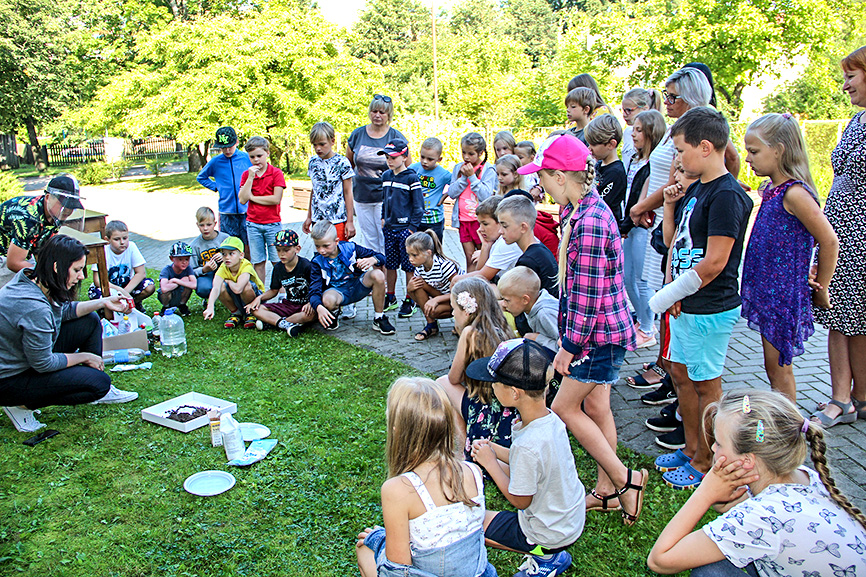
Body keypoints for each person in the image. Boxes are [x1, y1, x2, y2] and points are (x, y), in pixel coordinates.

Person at [518, 133, 645, 524]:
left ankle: (627, 481)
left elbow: (587, 298)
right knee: (597, 406)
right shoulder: (581, 210)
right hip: (600, 332)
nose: (540, 184)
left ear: (560, 175)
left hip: (596, 336)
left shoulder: (589, 220)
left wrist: (567, 348)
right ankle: (606, 489)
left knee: (564, 407)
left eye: (543, 176)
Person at [647, 389, 866, 576]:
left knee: (710, 572)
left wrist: (704, 493)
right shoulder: (802, 474)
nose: (713, 449)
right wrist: (719, 499)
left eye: (720, 444)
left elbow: (659, 560)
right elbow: (736, 510)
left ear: (747, 461)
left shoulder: (762, 516)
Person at [649, 107, 753, 490]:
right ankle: (692, 448)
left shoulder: (726, 196)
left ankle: (709, 459)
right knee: (680, 375)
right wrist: (671, 204)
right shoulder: (697, 189)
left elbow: (713, 264)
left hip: (708, 307)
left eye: (681, 150)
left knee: (705, 384)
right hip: (684, 303)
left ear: (705, 147)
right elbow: (676, 241)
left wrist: (665, 295)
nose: (677, 158)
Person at [628, 66, 716, 395]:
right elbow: (669, 177)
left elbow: (726, 166)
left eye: (672, 96)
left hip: (686, 221)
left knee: (672, 295)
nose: (666, 101)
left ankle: (677, 376)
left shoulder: (704, 128)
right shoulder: (677, 130)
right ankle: (670, 370)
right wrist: (659, 204)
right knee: (661, 290)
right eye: (665, 95)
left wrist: (642, 206)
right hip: (671, 216)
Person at [740, 113, 838, 404]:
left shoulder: (794, 194)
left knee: (779, 372)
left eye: (754, 151)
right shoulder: (770, 190)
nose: (748, 158)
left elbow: (829, 240)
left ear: (779, 150)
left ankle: (789, 432)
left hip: (781, 296)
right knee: (774, 370)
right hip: (768, 292)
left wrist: (822, 286)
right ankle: (785, 428)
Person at [354, 377, 496, 577]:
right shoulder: (473, 472)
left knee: (364, 550)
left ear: (397, 431)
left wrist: (379, 541)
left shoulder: (397, 490)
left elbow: (399, 570)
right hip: (480, 573)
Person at [467, 338, 584, 577]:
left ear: (514, 393)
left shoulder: (530, 444)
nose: (491, 387)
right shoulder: (549, 420)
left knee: (470, 524)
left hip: (546, 533)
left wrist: (491, 463)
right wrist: (494, 449)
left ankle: (545, 558)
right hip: (567, 520)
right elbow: (531, 461)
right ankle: (552, 552)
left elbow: (521, 501)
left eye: (495, 383)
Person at [0, 235, 138, 433]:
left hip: (25, 356)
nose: (81, 276)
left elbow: (63, 311)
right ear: (57, 267)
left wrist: (103, 301)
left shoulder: (33, 277)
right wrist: (84, 356)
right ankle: (21, 404)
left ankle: (87, 377)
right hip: (9, 379)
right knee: (98, 384)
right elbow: (43, 363)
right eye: (77, 270)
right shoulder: (33, 306)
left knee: (89, 320)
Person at [812, 46, 866, 427]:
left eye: (851, 76)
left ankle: (854, 397)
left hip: (860, 233)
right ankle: (844, 396)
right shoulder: (856, 122)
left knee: (854, 318)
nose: (845, 85)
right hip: (841, 231)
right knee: (840, 316)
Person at [437, 277, 513, 455]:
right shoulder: (504, 328)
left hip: (483, 408)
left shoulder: (470, 333)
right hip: (505, 411)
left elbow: (454, 378)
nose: (453, 314)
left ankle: (464, 444)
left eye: (454, 308)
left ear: (467, 311)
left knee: (442, 384)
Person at [621, 110, 667, 353]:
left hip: (642, 226)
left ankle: (648, 329)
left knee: (641, 278)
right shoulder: (633, 160)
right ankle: (641, 320)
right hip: (630, 224)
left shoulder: (653, 165)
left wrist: (632, 218)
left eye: (639, 130)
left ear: (651, 133)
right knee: (628, 277)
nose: (633, 133)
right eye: (634, 129)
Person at [346, 94, 410, 255]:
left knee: (385, 239)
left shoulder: (395, 136)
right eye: (374, 111)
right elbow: (348, 165)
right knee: (370, 240)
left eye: (382, 112)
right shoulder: (357, 135)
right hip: (362, 196)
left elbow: (408, 169)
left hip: (387, 198)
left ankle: (388, 278)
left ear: (389, 114)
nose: (377, 115)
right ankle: (376, 276)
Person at [308, 220, 395, 335]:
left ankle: (379, 317)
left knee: (378, 274)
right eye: (317, 246)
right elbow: (314, 290)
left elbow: (381, 257)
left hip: (357, 285)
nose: (321, 250)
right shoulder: (317, 262)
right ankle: (333, 313)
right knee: (327, 300)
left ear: (336, 241)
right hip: (338, 292)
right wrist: (318, 307)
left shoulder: (350, 248)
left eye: (326, 246)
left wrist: (373, 259)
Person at [0, 174, 83, 288]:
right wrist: (45, 275)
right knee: (16, 296)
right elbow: (13, 263)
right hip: (5, 257)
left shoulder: (54, 212)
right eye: (64, 205)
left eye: (72, 207)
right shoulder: (27, 219)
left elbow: (44, 249)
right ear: (48, 197)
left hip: (24, 252)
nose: (68, 210)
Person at [378, 137, 423, 319]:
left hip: (405, 230)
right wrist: (383, 217)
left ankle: (410, 298)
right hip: (389, 228)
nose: (390, 161)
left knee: (408, 266)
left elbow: (419, 206)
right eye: (387, 157)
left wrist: (411, 229)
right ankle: (390, 296)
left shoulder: (411, 177)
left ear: (404, 156)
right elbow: (385, 199)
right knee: (390, 264)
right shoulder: (386, 176)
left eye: (394, 157)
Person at [245, 229, 314, 337]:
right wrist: (259, 298)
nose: (281, 254)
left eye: (286, 250)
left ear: (297, 249)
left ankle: (273, 323)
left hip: (305, 305)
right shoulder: (278, 268)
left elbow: (317, 287)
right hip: (289, 304)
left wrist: (311, 302)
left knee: (309, 315)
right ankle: (287, 324)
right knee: (257, 310)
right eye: (278, 250)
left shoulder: (306, 265)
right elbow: (274, 290)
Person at [196, 126, 252, 254]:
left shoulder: (246, 158)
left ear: (237, 142)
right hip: (227, 211)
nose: (227, 150)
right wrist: (216, 186)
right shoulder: (216, 161)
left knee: (248, 245)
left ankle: (248, 271)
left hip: (246, 210)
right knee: (230, 246)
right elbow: (201, 177)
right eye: (223, 147)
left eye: (230, 146)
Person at [238, 136, 285, 284]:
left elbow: (275, 199)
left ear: (267, 153)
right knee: (258, 261)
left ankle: (283, 294)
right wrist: (251, 178)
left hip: (272, 223)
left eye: (259, 156)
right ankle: (260, 293)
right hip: (253, 224)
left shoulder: (276, 173)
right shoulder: (247, 175)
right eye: (252, 157)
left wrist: (254, 198)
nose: (256, 160)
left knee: (277, 260)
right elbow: (242, 199)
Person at [448, 133, 497, 271]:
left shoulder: (489, 169)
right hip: (463, 220)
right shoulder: (459, 168)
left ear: (481, 153)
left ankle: (482, 287)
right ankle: (468, 289)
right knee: (470, 259)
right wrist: (463, 179)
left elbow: (486, 195)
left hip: (480, 221)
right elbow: (452, 193)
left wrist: (472, 177)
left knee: (482, 257)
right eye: (463, 152)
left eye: (471, 153)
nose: (466, 157)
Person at [405, 230, 464, 342]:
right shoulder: (419, 267)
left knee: (433, 311)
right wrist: (409, 289)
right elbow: (416, 297)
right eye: (409, 255)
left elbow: (461, 291)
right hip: (444, 296)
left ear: (428, 252)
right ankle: (431, 325)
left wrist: (436, 299)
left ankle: (462, 321)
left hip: (460, 299)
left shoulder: (444, 266)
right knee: (416, 285)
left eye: (414, 255)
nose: (410, 259)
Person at [450, 196, 521, 286]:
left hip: (515, 289)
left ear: (500, 222)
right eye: (479, 224)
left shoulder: (506, 243)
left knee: (458, 282)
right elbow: (479, 271)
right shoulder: (497, 241)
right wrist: (485, 246)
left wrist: (457, 279)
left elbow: (482, 276)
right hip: (506, 285)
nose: (480, 229)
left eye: (485, 224)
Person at [495, 195, 558, 295]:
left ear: (523, 227)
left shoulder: (528, 261)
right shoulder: (540, 249)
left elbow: (518, 301)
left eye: (505, 226)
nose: (500, 231)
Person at [304, 121, 356, 243]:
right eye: (315, 145)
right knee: (321, 254)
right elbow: (314, 190)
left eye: (322, 144)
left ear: (332, 141)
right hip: (318, 220)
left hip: (337, 219)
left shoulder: (342, 162)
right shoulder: (313, 162)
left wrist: (350, 221)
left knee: (339, 252)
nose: (318, 148)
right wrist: (309, 217)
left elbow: (348, 192)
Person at [87, 220, 155, 312]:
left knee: (149, 286)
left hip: (127, 286)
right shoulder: (102, 252)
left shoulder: (131, 247)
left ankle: (133, 304)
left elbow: (141, 273)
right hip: (108, 287)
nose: (122, 242)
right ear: (107, 240)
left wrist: (125, 292)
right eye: (117, 239)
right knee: (96, 294)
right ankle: (106, 311)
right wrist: (119, 290)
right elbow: (97, 281)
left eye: (125, 238)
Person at [203, 236, 265, 329]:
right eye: (224, 254)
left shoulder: (246, 265)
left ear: (241, 255)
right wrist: (210, 306)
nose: (227, 257)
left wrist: (228, 281)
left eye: (231, 254)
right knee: (220, 287)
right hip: (238, 297)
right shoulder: (223, 267)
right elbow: (215, 288)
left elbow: (238, 288)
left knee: (246, 286)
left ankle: (251, 313)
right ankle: (236, 313)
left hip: (256, 299)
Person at [498, 267, 559, 354]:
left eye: (507, 300)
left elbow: (565, 348)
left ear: (525, 300)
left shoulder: (545, 314)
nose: (503, 304)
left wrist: (537, 339)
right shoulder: (531, 305)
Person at [584, 114, 627, 225]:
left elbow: (601, 203)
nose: (589, 148)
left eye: (593, 144)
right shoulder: (598, 165)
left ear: (611, 144)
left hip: (603, 226)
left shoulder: (616, 173)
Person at [408, 137, 450, 244]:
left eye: (430, 159)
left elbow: (458, 185)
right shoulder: (413, 169)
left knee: (434, 250)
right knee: (415, 249)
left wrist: (445, 196)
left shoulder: (444, 174)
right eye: (422, 157)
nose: (425, 161)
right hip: (416, 219)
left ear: (439, 159)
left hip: (434, 220)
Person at [619, 87, 663, 174]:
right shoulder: (628, 132)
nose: (624, 115)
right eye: (623, 110)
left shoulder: (659, 132)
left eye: (629, 110)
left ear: (645, 109)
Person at [190, 206, 228, 302]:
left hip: (227, 271)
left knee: (232, 283)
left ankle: (230, 298)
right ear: (197, 225)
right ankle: (209, 297)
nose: (205, 228)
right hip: (207, 274)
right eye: (202, 225)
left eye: (209, 224)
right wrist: (204, 269)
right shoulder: (194, 245)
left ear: (215, 223)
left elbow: (238, 257)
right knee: (203, 288)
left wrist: (224, 255)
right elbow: (191, 270)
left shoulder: (225, 238)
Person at [157, 241, 196, 316]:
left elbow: (194, 285)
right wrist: (181, 282)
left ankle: (182, 305)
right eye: (180, 259)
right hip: (169, 295)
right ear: (172, 259)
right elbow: (164, 288)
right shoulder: (167, 270)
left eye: (187, 259)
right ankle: (166, 306)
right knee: (164, 292)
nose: (184, 262)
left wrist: (175, 281)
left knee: (188, 285)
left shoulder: (188, 269)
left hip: (181, 293)